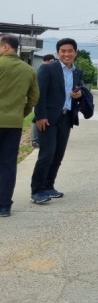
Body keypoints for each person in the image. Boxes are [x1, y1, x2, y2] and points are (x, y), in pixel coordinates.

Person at [30, 38, 84, 204]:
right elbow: (40, 94)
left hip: (66, 117)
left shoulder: (77, 71)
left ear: (75, 52)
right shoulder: (47, 69)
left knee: (58, 155)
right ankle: (37, 190)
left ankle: (49, 186)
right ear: (57, 53)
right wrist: (40, 116)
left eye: (70, 51)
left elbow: (78, 89)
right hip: (47, 118)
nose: (67, 54)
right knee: (47, 154)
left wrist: (79, 94)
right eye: (63, 51)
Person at [0, 34, 40, 217]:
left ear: (6, 47)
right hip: (13, 124)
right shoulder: (28, 70)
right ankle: (4, 206)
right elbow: (34, 97)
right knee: (8, 164)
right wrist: (21, 112)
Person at [30, 54, 56, 148]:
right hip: (39, 99)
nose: (50, 64)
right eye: (48, 61)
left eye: (52, 62)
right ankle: (35, 139)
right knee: (36, 118)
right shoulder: (41, 70)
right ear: (43, 61)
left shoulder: (56, 72)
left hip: (50, 101)